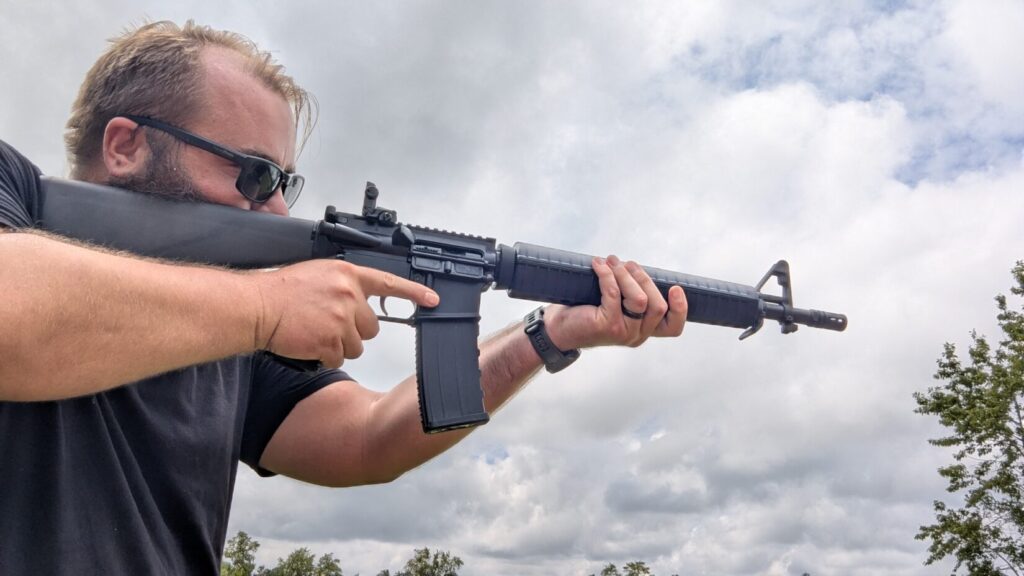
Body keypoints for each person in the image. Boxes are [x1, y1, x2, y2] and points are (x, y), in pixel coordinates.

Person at [0, 21, 687, 575]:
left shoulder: (227, 334)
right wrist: (267, 308)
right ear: (125, 146)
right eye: (254, 175)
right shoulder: (18, 193)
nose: (272, 211)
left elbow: (366, 440)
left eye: (284, 186)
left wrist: (551, 333)